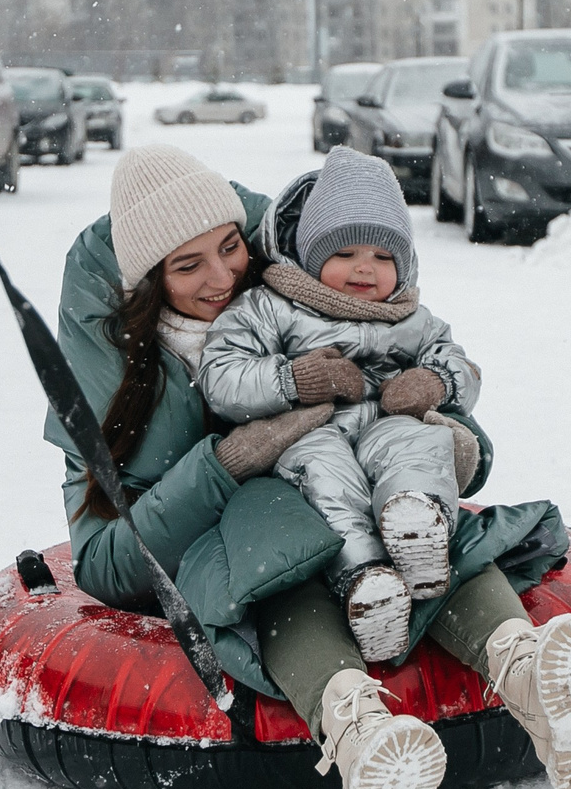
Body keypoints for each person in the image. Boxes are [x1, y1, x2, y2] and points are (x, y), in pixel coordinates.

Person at [56, 147, 571, 789]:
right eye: (187, 265)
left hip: (372, 482)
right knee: (284, 563)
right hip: (253, 529)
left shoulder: (298, 278)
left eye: (230, 248)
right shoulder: (116, 384)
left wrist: (445, 429)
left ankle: (528, 670)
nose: (221, 276)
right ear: (150, 283)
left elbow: (416, 365)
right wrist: (229, 459)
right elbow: (105, 562)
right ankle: (358, 731)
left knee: (431, 535)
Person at [199, 146, 486, 663]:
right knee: (324, 473)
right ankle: (364, 575)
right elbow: (220, 375)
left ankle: (419, 524)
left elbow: (460, 364)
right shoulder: (272, 306)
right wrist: (291, 378)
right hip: (309, 430)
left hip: (382, 423)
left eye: (382, 257)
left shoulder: (412, 318)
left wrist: (434, 382)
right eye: (345, 253)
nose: (365, 270)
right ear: (310, 255)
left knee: (421, 441)